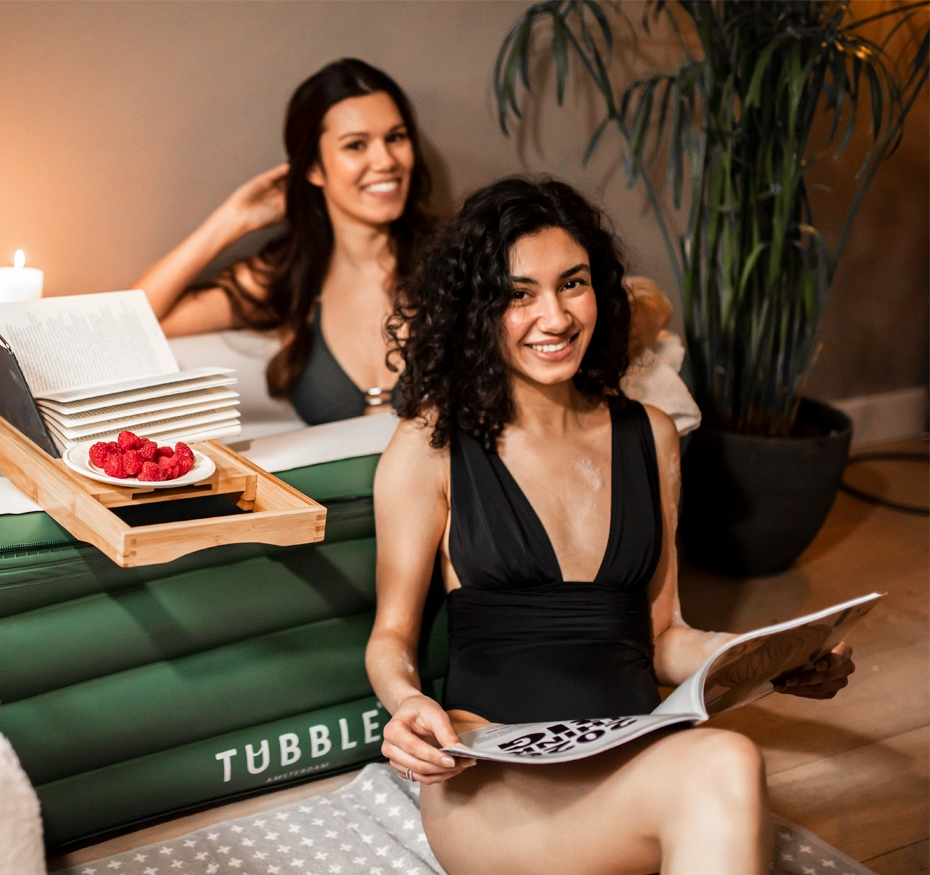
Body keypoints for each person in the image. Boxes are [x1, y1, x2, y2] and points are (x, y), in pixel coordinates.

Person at [364, 177, 855, 874]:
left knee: (728, 759)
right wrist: (408, 701)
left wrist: (776, 654)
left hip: (629, 756)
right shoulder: (430, 446)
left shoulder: (649, 435)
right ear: (476, 309)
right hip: (495, 778)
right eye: (519, 294)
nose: (556, 317)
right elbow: (390, 636)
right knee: (727, 765)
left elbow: (664, 638)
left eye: (573, 283)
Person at [133, 57, 433, 425]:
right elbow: (130, 325)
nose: (385, 161)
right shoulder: (287, 278)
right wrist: (230, 220)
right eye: (356, 145)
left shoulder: (455, 263)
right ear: (313, 168)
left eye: (396, 138)